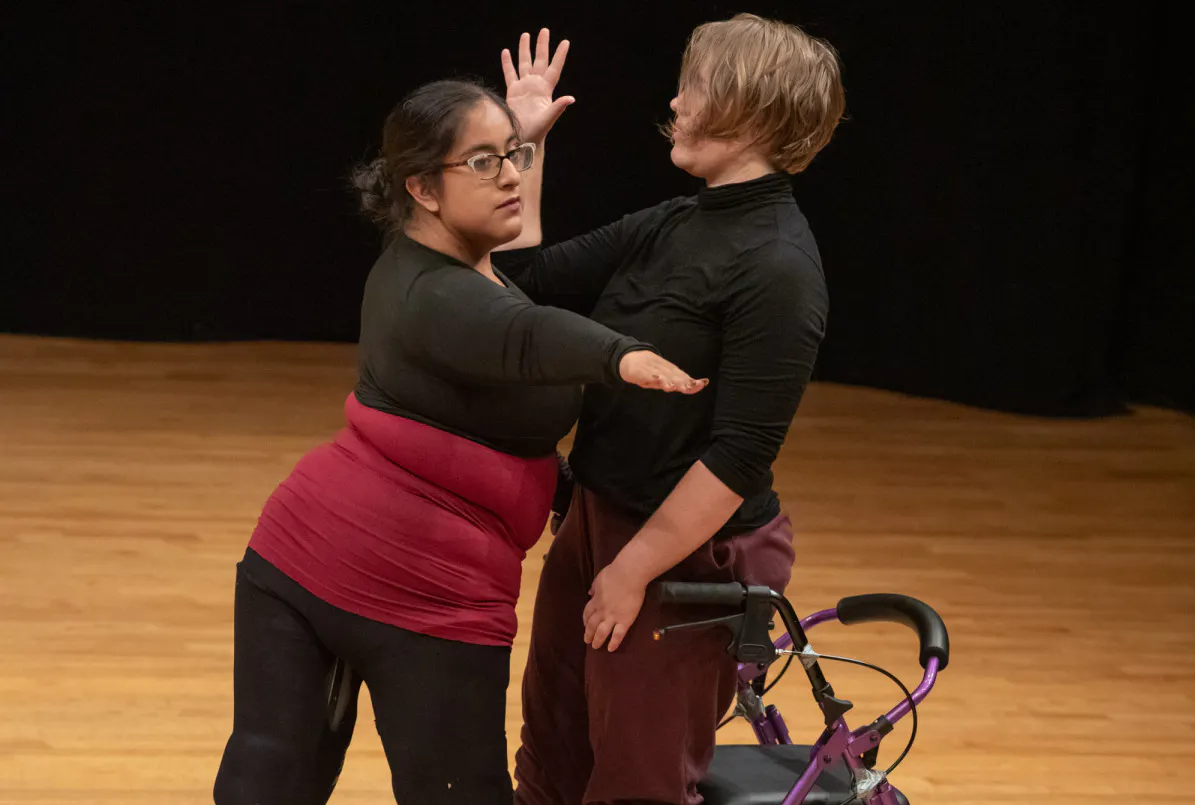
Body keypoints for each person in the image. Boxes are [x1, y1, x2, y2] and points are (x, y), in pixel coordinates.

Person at [212, 63, 707, 805]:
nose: (509, 175)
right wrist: (620, 354)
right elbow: (524, 333)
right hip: (367, 581)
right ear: (420, 187)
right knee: (275, 779)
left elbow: (516, 263)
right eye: (484, 162)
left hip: (370, 572)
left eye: (510, 155)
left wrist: (525, 139)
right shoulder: (428, 294)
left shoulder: (466, 264)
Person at [491, 15, 846, 805]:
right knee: (551, 758)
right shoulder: (672, 222)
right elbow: (522, 283)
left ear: (751, 110)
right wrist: (525, 143)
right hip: (600, 516)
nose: (677, 102)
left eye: (697, 87)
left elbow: (738, 452)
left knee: (636, 784)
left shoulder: (779, 266)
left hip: (686, 553)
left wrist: (631, 569)